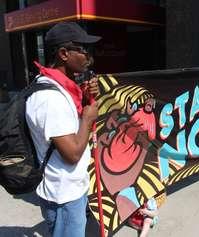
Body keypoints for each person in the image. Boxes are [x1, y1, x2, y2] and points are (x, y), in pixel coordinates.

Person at [25, 22, 101, 237]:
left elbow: (68, 125)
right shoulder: (50, 99)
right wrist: (87, 119)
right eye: (84, 50)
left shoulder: (59, 87)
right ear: (63, 53)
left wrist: (85, 98)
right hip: (64, 195)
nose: (89, 57)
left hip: (70, 188)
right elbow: (72, 154)